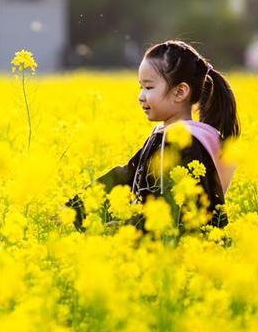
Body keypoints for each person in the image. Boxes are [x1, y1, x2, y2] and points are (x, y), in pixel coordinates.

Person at [64, 40, 240, 235]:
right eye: (140, 87)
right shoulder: (168, 136)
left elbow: (178, 212)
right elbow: (127, 177)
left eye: (148, 88)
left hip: (179, 255)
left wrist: (127, 230)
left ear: (180, 92)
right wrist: (75, 210)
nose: (140, 96)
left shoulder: (185, 142)